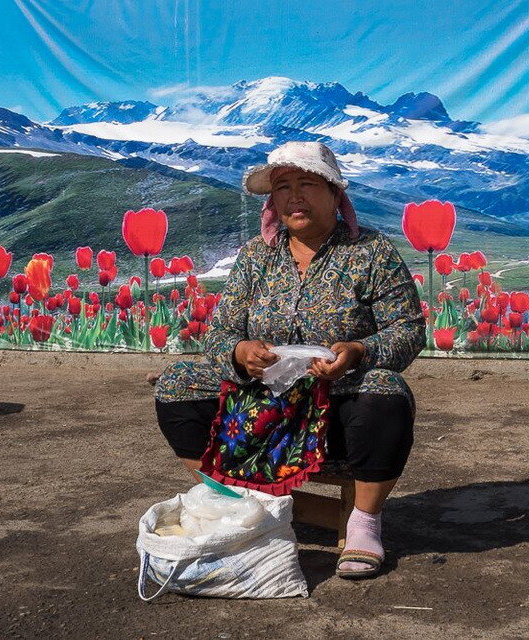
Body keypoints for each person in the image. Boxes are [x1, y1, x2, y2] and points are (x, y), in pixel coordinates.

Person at [153, 141, 426, 579]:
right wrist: (241, 354)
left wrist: (358, 351)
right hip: (260, 408)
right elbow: (221, 332)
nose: (294, 196)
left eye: (307, 184)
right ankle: (247, 504)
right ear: (272, 200)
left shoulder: (372, 253)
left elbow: (408, 329)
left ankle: (364, 521)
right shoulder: (256, 257)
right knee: (176, 384)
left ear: (335, 193)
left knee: (387, 392)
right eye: (283, 187)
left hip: (337, 402)